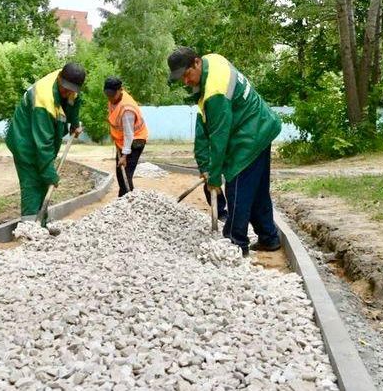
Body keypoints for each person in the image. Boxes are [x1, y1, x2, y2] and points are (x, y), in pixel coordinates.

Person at [168, 47, 282, 256]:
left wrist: (214, 176)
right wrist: (204, 166)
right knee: (256, 191)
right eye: (181, 78)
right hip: (261, 126)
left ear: (196, 63)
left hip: (251, 134)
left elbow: (218, 137)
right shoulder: (211, 61)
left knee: (237, 188)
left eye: (187, 75)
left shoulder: (215, 91)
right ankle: (269, 237)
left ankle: (235, 243)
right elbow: (203, 125)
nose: (185, 81)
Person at [5, 62, 86, 220]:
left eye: (72, 90)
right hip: (24, 141)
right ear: (59, 78)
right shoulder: (44, 98)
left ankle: (42, 223)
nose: (67, 92)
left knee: (44, 181)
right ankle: (30, 228)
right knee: (32, 183)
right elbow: (43, 144)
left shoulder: (70, 86)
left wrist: (74, 124)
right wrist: (50, 173)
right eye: (65, 88)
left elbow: (74, 103)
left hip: (41, 137)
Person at [104, 77, 149, 197]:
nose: (110, 98)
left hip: (136, 140)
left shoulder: (127, 108)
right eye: (108, 95)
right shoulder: (113, 99)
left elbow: (129, 134)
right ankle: (125, 201)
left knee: (125, 176)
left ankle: (127, 202)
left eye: (113, 94)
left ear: (120, 90)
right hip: (122, 140)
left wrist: (124, 156)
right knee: (120, 174)